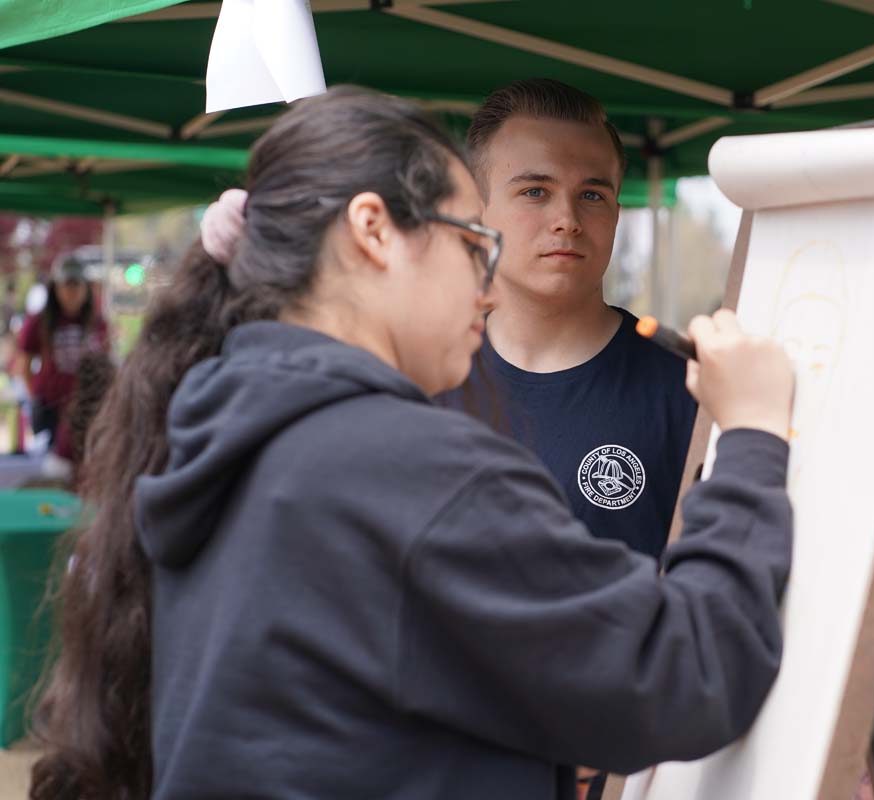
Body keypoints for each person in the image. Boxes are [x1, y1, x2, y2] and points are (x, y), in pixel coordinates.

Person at [31, 86, 796, 800]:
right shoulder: (403, 463)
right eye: (471, 244)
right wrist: (754, 432)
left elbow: (365, 711)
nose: (485, 285)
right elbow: (684, 674)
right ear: (373, 231)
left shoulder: (228, 424)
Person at [439, 78, 698, 560]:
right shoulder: (424, 380)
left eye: (592, 195)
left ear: (616, 212)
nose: (568, 219)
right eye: (536, 191)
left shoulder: (688, 387)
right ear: (477, 212)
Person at [14, 257, 109, 461]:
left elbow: (105, 362)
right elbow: (24, 364)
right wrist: (36, 397)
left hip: (87, 410)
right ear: (56, 289)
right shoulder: (39, 321)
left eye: (77, 286)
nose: (71, 292)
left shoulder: (98, 322)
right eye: (67, 286)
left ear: (86, 289)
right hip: (51, 409)